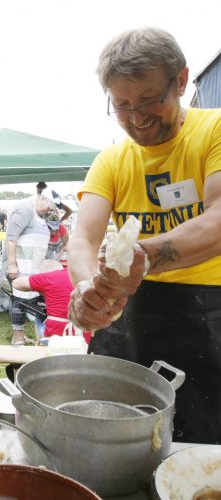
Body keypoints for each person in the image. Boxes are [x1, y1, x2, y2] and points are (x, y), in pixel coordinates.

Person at [67, 28, 221, 444]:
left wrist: (146, 256)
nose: (137, 118)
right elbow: (82, 239)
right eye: (122, 106)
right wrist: (86, 289)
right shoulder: (112, 160)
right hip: (131, 317)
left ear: (182, 81)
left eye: (151, 100)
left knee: (203, 447)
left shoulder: (214, 131)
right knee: (115, 440)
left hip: (209, 313)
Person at [2, 190, 56, 345]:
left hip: (34, 267)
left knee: (33, 301)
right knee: (19, 301)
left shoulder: (43, 217)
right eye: (49, 207)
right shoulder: (24, 211)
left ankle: (27, 334)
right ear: (42, 198)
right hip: (19, 266)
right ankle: (18, 338)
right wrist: (12, 264)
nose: (49, 211)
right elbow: (11, 239)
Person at [12, 260, 91, 345]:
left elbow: (16, 283)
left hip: (56, 332)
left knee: (39, 319)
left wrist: (39, 287)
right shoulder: (84, 275)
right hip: (83, 330)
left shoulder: (48, 277)